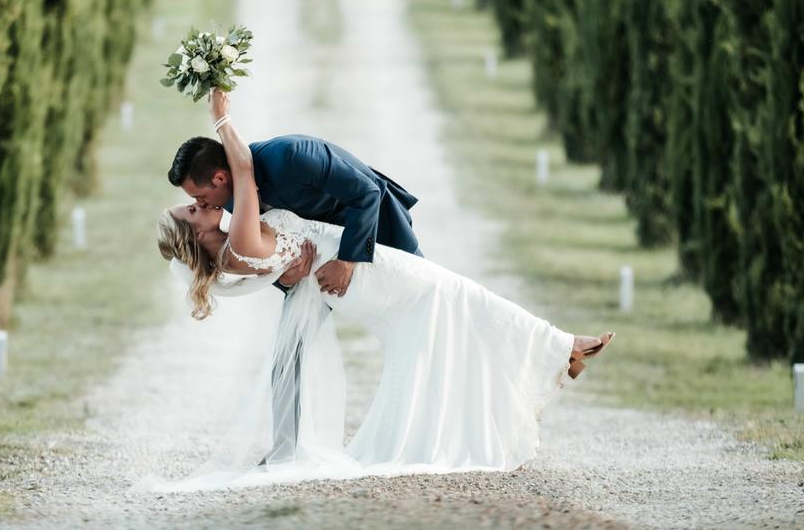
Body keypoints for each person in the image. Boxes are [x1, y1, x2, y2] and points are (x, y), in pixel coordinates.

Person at [156, 89, 613, 488]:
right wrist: (221, 116)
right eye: (194, 208)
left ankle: (558, 353)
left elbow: (366, 195)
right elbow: (270, 245)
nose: (200, 205)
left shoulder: (288, 159)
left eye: (199, 199)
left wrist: (346, 261)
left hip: (369, 245)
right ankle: (561, 348)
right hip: (344, 268)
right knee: (453, 301)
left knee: (440, 314)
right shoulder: (241, 208)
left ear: (218, 178)